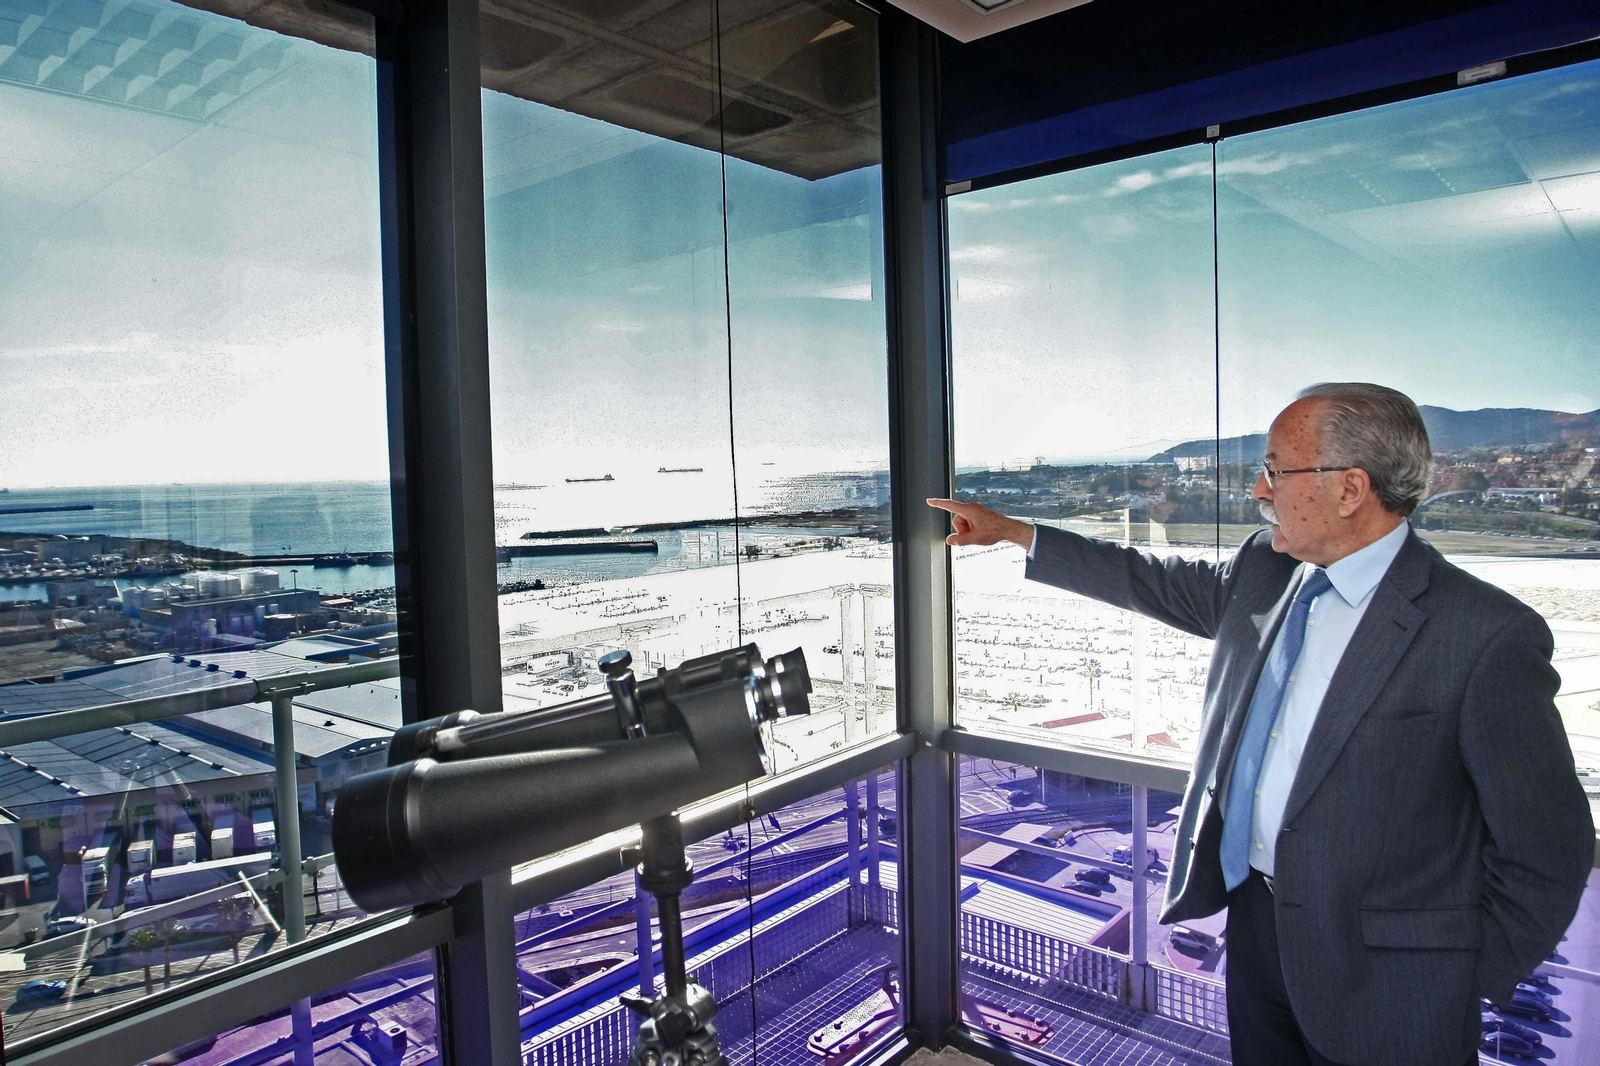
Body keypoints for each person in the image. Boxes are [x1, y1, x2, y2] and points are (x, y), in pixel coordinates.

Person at [929, 382, 1593, 1066]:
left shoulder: (1484, 634)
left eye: (1277, 469)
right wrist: (1015, 532)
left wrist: (1460, 977)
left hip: (1392, 980)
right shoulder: (1267, 571)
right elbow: (1144, 577)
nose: (1259, 489)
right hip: (1258, 929)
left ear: (1350, 488)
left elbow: (1550, 847)